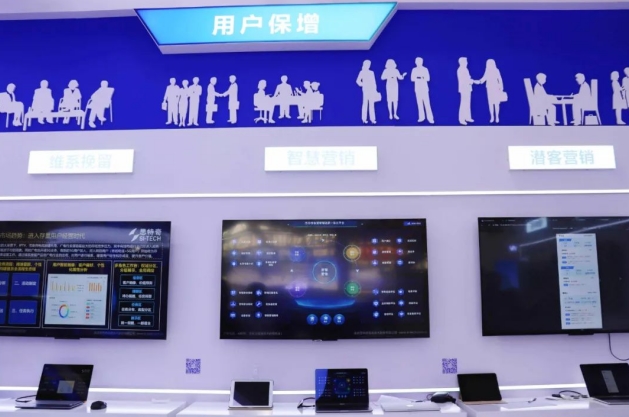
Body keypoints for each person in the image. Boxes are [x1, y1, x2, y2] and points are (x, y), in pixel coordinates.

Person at [478, 59, 505, 123]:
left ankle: (497, 117)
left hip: (496, 88)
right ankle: (492, 117)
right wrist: (478, 81)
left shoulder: (496, 70)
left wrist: (501, 87)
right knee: (490, 103)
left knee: (496, 103)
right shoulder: (487, 71)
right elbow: (483, 79)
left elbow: (500, 79)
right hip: (489, 89)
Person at [410, 57, 434, 124]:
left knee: (427, 103)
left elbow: (428, 78)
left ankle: (430, 118)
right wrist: (420, 78)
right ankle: (421, 117)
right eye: (417, 62)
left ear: (422, 62)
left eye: (420, 61)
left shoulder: (425, 69)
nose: (418, 63)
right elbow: (412, 79)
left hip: (424, 88)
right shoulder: (414, 70)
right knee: (419, 104)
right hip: (417, 88)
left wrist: (420, 77)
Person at [356, 60, 379, 124]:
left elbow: (374, 82)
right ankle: (364, 119)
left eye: (369, 64)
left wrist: (375, 90)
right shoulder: (362, 72)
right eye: (368, 64)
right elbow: (358, 81)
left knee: (371, 104)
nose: (369, 65)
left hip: (371, 90)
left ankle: (372, 119)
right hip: (365, 90)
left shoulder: (371, 72)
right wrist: (363, 84)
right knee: (365, 104)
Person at [457, 57, 476, 125]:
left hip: (467, 88)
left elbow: (468, 78)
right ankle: (462, 119)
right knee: (464, 103)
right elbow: (465, 80)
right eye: (466, 61)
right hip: (464, 89)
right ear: (462, 62)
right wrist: (473, 81)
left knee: (467, 103)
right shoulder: (461, 70)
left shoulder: (465, 69)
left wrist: (472, 81)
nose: (467, 63)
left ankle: (468, 117)